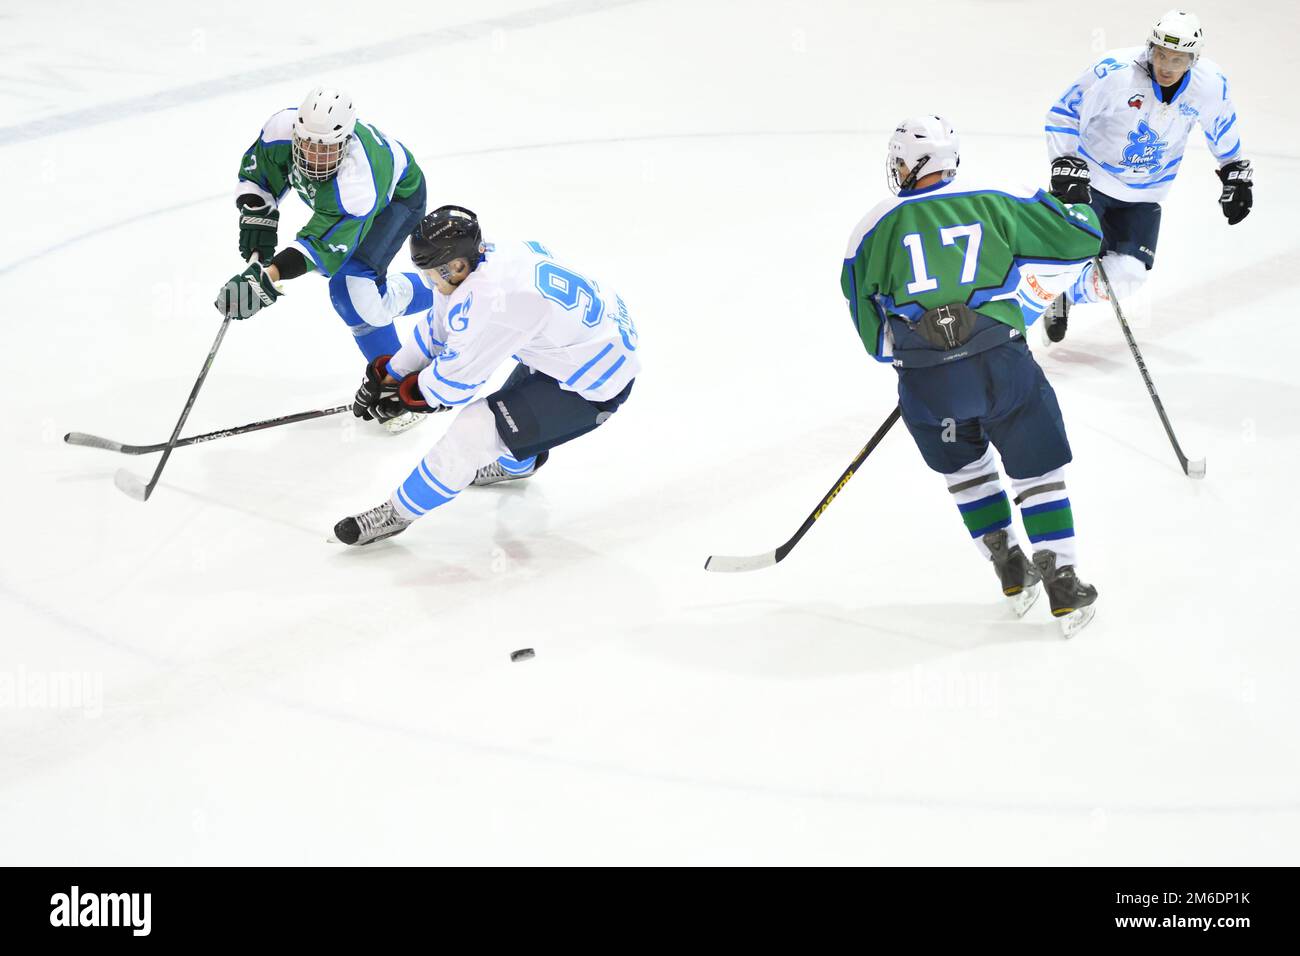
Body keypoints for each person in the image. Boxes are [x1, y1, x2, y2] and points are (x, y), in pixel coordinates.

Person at [840, 115, 1102, 636]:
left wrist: (924, 357)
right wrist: (1075, 199)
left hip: (930, 387)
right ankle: (1063, 584)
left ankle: (1009, 568)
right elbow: (1081, 242)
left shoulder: (870, 227)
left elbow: (872, 335)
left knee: (966, 471)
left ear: (912, 165)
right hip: (1002, 366)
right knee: (1037, 472)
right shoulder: (998, 198)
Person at [334, 206, 641, 546]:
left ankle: (397, 513)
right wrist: (391, 375)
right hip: (576, 349)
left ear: (457, 266)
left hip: (593, 383)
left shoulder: (497, 303)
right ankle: (518, 463)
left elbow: (454, 386)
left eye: (431, 274)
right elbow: (438, 330)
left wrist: (408, 398)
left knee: (474, 430)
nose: (429, 282)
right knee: (512, 418)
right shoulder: (479, 261)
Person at [214, 86, 433, 428]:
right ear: (296, 134)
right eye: (309, 146)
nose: (316, 157)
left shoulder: (357, 184)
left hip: (395, 201)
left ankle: (395, 384)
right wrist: (258, 235)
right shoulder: (279, 132)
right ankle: (447, 289)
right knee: (365, 298)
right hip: (350, 202)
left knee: (353, 291)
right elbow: (260, 179)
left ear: (345, 143)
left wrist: (267, 276)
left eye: (328, 149)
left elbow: (319, 245)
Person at [1038, 9, 1252, 342]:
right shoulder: (1115, 73)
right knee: (1063, 257)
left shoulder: (1209, 85)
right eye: (1161, 54)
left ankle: (1062, 296)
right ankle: (1021, 304)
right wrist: (1066, 164)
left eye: (1178, 59)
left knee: (1128, 277)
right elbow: (1065, 113)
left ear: (1193, 60)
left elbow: (1221, 126)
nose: (1167, 66)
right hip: (1091, 183)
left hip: (1145, 195)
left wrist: (1233, 171)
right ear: (1150, 47)